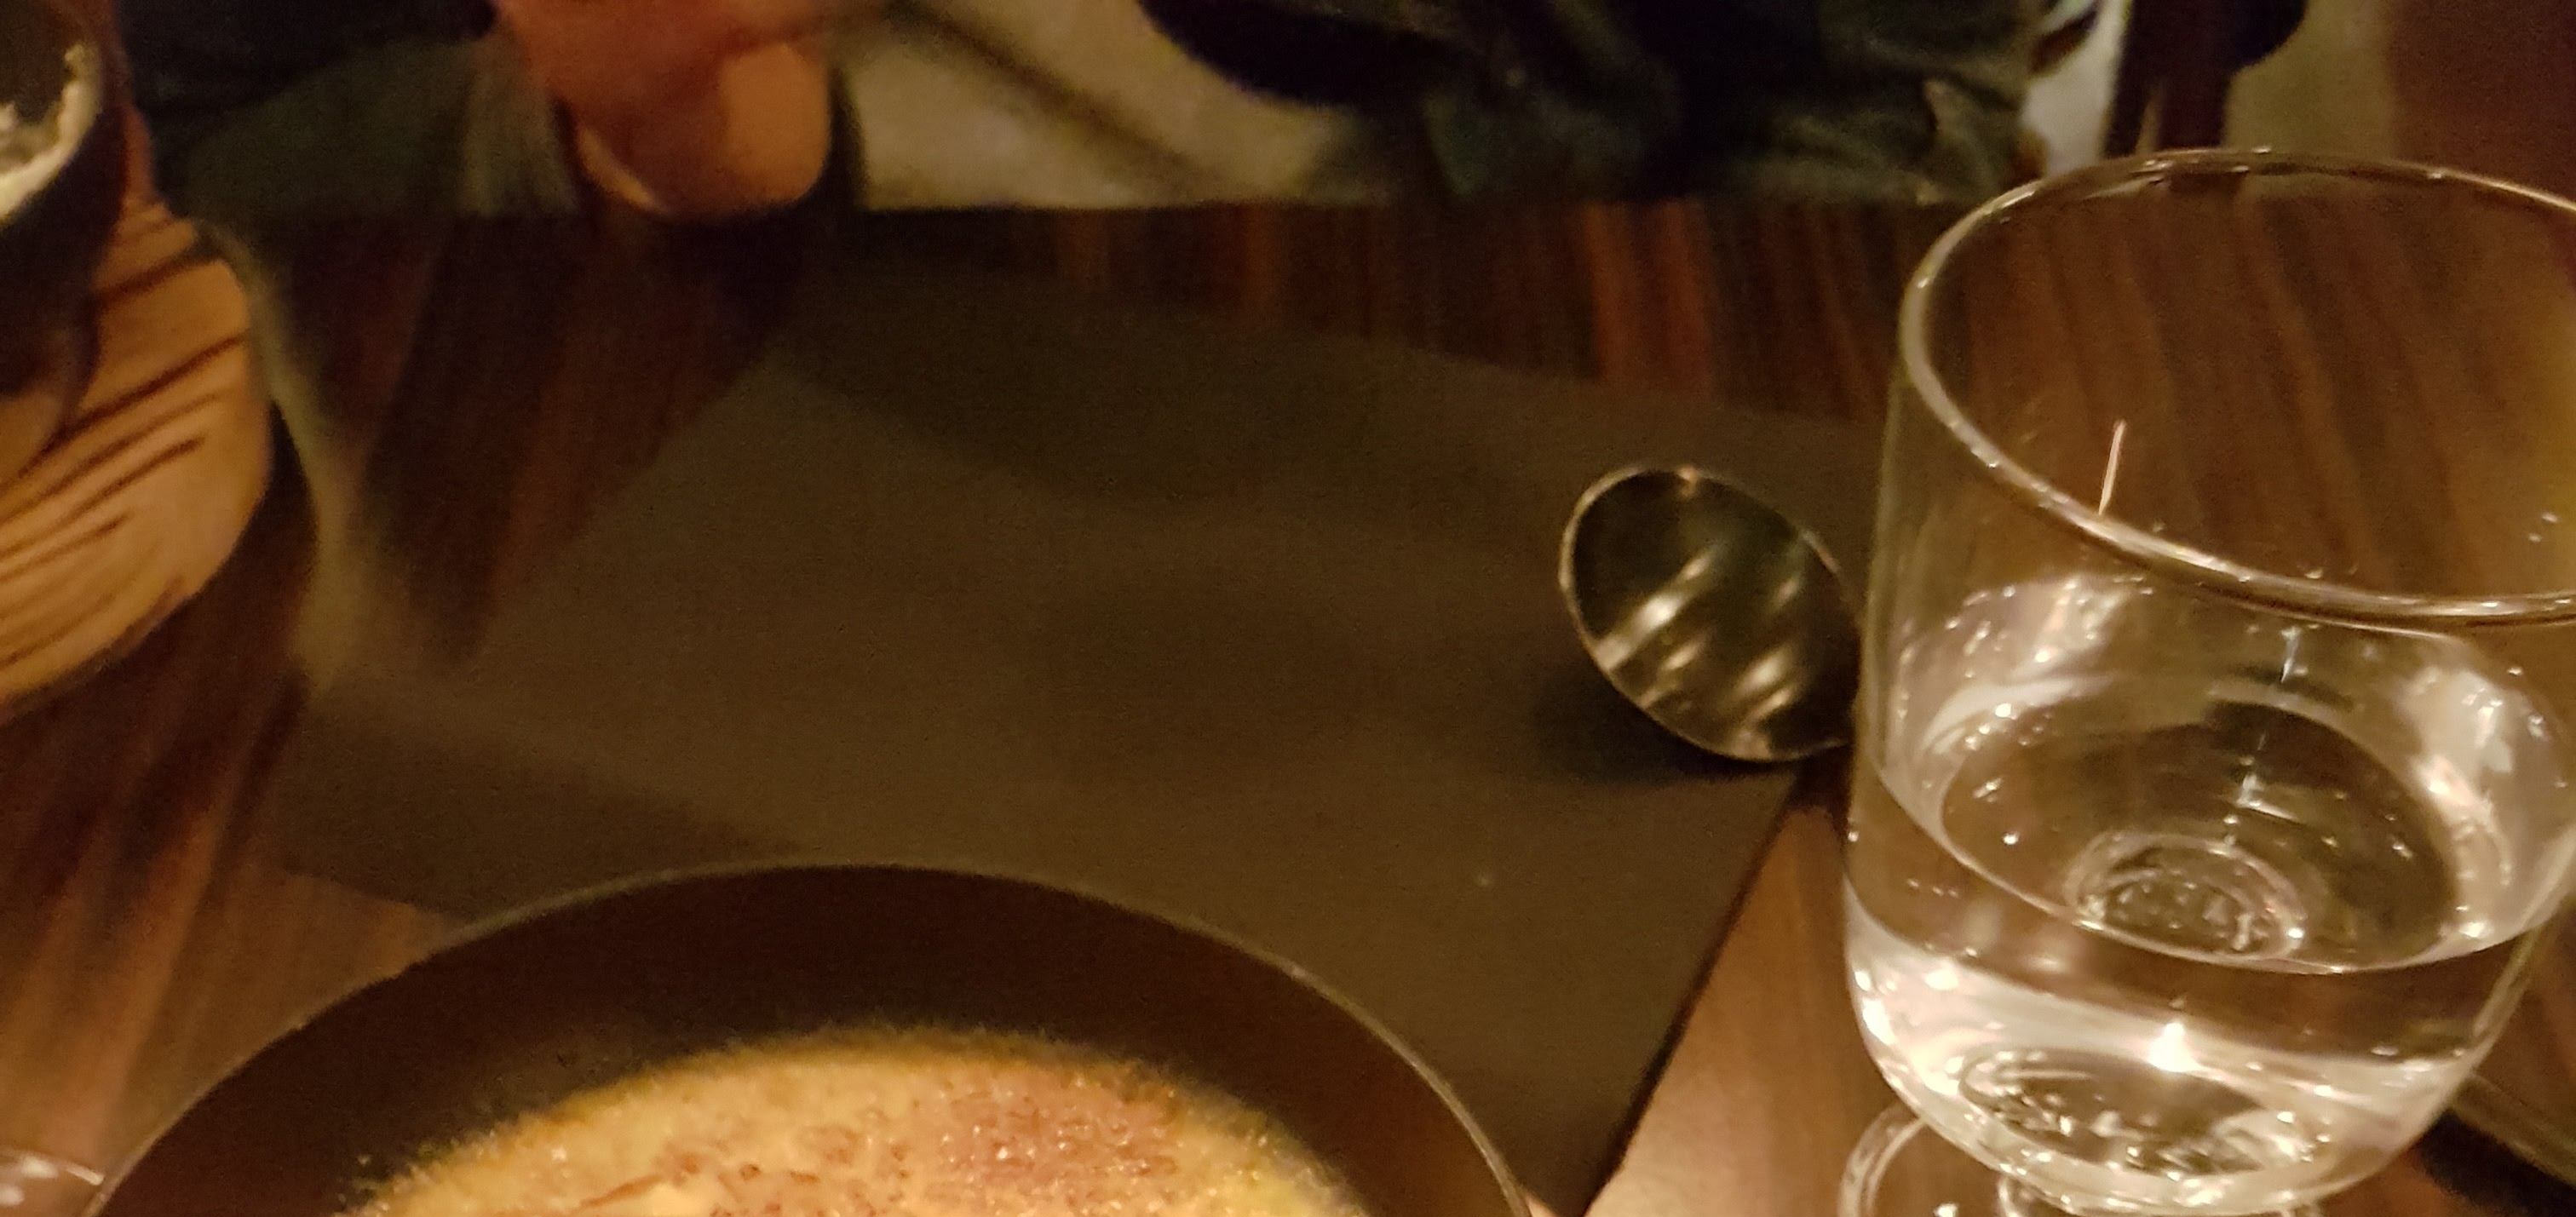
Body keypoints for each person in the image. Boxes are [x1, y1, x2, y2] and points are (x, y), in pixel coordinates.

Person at [116, 0, 2046, 223]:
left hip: (1497, 319)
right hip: (676, 407)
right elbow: (238, 125)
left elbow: (1881, 98)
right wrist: (623, 141)